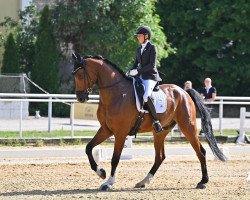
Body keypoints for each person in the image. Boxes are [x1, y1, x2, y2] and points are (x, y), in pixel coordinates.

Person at [127, 25, 163, 133]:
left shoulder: (152, 48)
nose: (138, 37)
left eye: (139, 36)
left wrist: (138, 71)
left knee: (146, 96)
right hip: (141, 76)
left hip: (151, 77)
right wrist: (129, 71)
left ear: (146, 36)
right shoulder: (139, 49)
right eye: (137, 36)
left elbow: (152, 65)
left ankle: (156, 121)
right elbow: (135, 63)